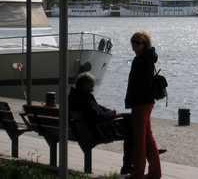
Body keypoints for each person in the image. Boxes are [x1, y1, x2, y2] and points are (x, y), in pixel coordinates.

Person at [69, 72, 133, 176]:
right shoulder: (85, 98)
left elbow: (97, 108)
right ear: (85, 85)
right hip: (94, 133)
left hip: (80, 131)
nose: (92, 89)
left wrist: (110, 112)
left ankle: (137, 157)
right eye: (91, 86)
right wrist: (112, 114)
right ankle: (128, 166)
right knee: (131, 125)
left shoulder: (73, 96)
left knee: (128, 120)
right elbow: (98, 116)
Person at [125, 31, 161, 179]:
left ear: (144, 44)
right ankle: (155, 173)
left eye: (137, 43)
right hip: (146, 102)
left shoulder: (142, 60)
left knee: (140, 140)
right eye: (133, 43)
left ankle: (138, 173)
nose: (134, 46)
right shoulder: (147, 58)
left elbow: (139, 85)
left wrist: (132, 100)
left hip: (141, 103)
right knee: (147, 138)